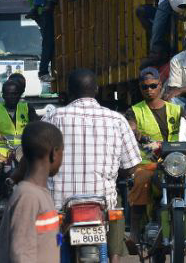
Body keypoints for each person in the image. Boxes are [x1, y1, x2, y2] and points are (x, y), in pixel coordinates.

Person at [42, 69, 141, 263]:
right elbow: (131, 167)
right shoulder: (117, 119)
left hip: (60, 202)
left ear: (69, 91)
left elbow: (39, 159)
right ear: (96, 89)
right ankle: (114, 259)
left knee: (47, 227)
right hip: (102, 199)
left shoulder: (53, 117)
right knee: (116, 206)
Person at [126, 68, 186, 256]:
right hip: (149, 163)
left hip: (178, 162)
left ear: (160, 85)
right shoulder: (134, 110)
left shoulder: (176, 109)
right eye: (145, 87)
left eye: (153, 86)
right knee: (141, 181)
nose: (149, 89)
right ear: (140, 89)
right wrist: (142, 139)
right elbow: (131, 129)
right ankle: (134, 234)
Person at [0, 121, 63, 263]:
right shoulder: (28, 196)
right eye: (62, 151)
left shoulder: (40, 193)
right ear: (53, 154)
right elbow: (22, 255)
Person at [0, 79, 40, 219]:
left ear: (19, 95)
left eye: (14, 94)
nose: (11, 97)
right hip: (2, 150)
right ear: (3, 95)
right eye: (8, 94)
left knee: (37, 169)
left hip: (23, 149)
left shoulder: (27, 107)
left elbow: (36, 123)